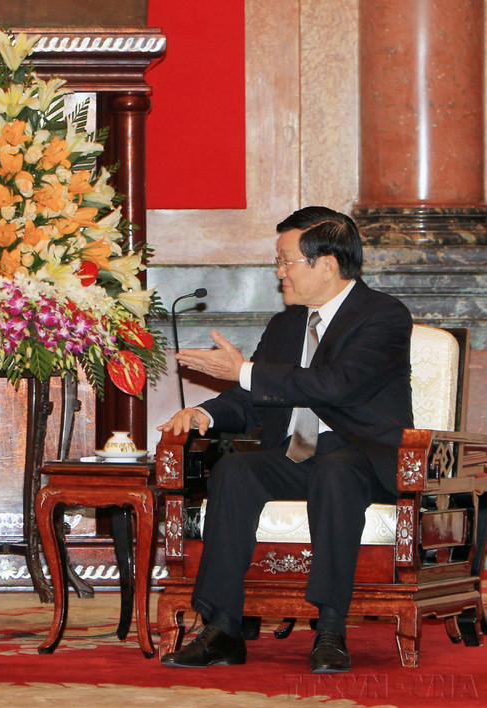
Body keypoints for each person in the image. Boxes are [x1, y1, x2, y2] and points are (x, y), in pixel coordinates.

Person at [158, 206, 412, 674]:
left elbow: (336, 385)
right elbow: (253, 398)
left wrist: (245, 371)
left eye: (286, 260)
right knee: (234, 469)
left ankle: (331, 629)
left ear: (327, 265)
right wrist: (204, 413)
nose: (279, 273)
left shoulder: (383, 316)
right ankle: (222, 629)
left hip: (362, 460)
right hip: (298, 455)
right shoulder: (287, 324)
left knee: (335, 471)